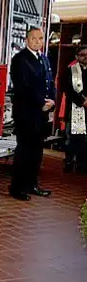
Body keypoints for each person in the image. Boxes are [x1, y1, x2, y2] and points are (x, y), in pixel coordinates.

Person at [9, 26, 56, 201]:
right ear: (27, 40)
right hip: (26, 113)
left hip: (41, 113)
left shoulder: (44, 59)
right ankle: (17, 188)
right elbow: (23, 86)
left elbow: (50, 82)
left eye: (41, 38)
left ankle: (32, 185)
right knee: (24, 151)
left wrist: (52, 100)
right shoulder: (20, 59)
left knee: (36, 152)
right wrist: (40, 103)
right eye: (34, 38)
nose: (38, 41)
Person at [63, 46, 87, 172]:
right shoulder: (71, 70)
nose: (85, 57)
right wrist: (82, 101)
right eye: (82, 55)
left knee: (85, 138)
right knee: (71, 137)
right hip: (74, 108)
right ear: (77, 56)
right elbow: (68, 90)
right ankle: (70, 161)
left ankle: (82, 164)